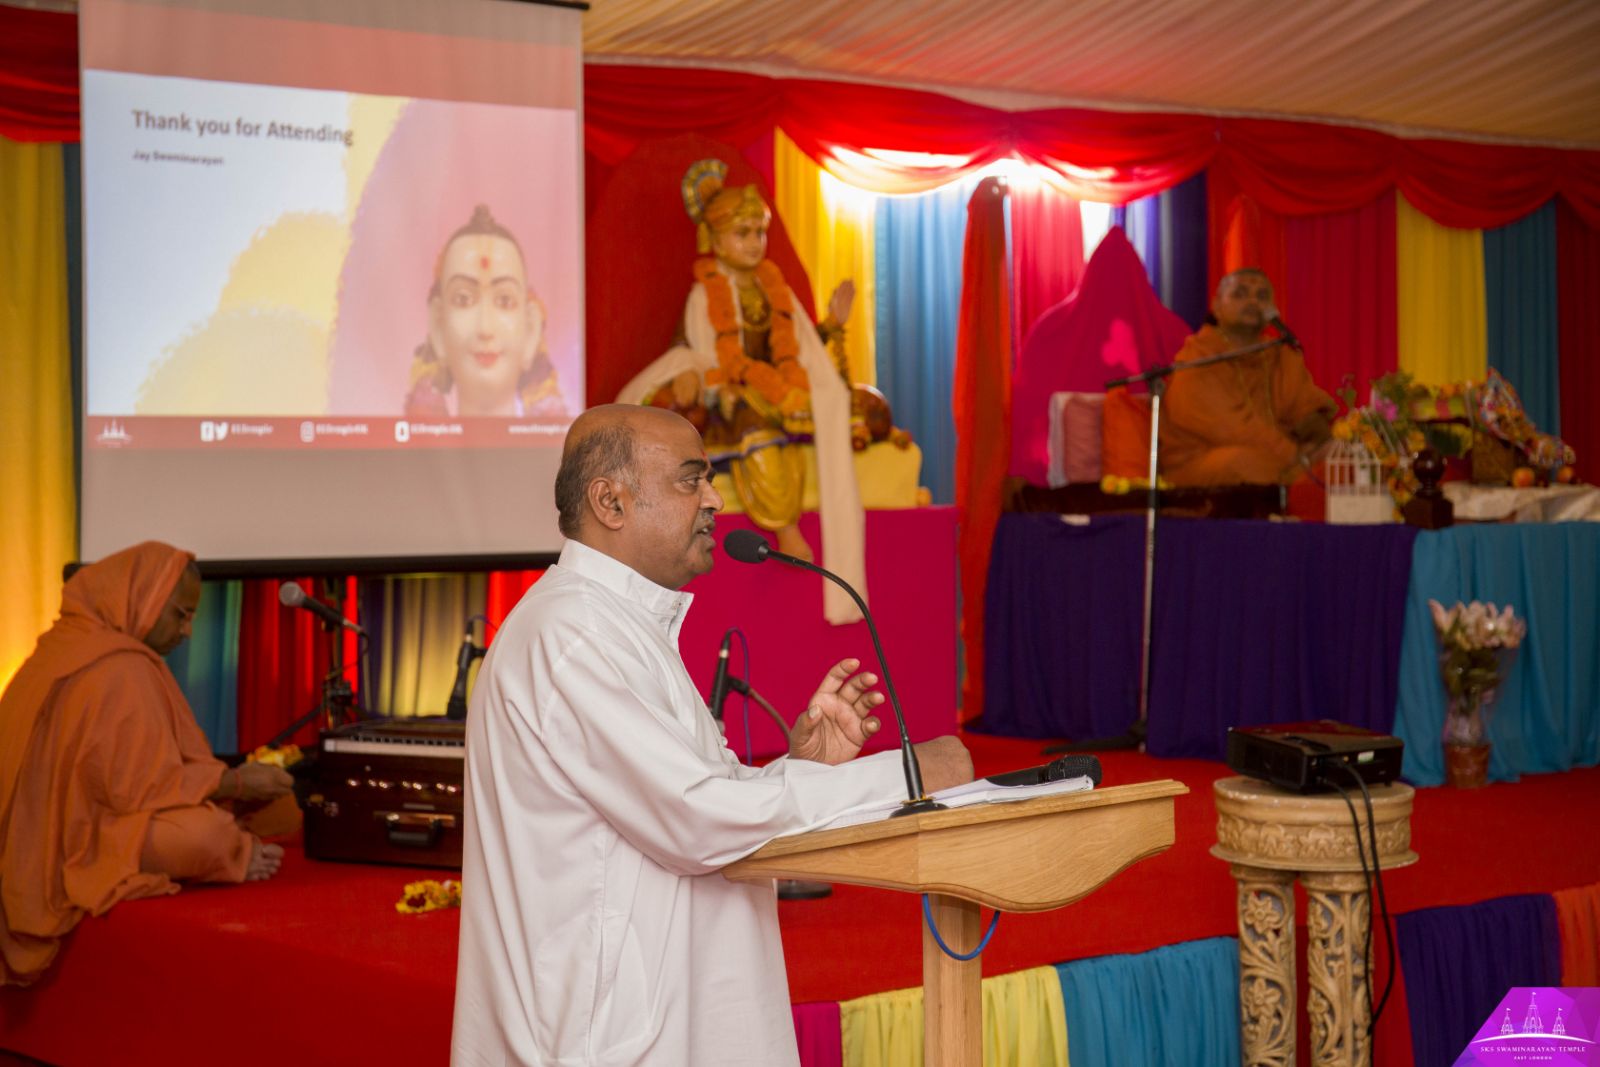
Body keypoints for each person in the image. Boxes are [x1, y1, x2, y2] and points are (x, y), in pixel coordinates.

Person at [451, 404, 972, 1067]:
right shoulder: (573, 635)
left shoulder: (613, 625)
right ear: (610, 500)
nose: (715, 499)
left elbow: (685, 800)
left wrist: (803, 765)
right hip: (602, 1044)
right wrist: (908, 775)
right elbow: (697, 820)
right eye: (690, 480)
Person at [0, 542, 295, 986]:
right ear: (140, 597)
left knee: (277, 806)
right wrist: (233, 783)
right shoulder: (118, 667)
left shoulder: (63, 648)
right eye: (180, 614)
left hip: (87, 819)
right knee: (207, 836)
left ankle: (234, 841)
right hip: (70, 839)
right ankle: (233, 852)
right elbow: (134, 791)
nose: (188, 631)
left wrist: (231, 784)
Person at [616, 159, 862, 584]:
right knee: (755, 428)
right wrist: (713, 381)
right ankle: (785, 527)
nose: (754, 243)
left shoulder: (772, 286)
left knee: (845, 405)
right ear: (714, 237)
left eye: (760, 233)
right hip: (729, 393)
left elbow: (796, 350)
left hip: (778, 389)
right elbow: (698, 352)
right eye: (742, 233)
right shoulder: (703, 291)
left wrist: (832, 328)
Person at [1159, 268, 1336, 487]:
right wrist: (1296, 457)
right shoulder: (1198, 357)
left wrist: (1323, 443)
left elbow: (1304, 408)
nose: (1252, 301)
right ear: (1217, 307)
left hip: (1283, 457)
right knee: (1245, 464)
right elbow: (1232, 428)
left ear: (1273, 309)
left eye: (1262, 296)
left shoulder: (1280, 354)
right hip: (1201, 460)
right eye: (1240, 294)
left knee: (1343, 459)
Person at [405, 204, 567, 419]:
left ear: (530, 330)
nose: (485, 328)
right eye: (463, 299)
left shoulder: (565, 449)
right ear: (438, 326)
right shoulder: (403, 446)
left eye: (505, 300)